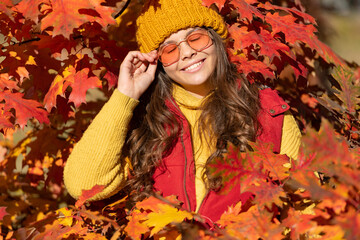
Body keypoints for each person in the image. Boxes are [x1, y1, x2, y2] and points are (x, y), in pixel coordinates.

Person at [64, 0, 301, 226]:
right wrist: (125, 95)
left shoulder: (267, 112)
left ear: (216, 39)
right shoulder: (144, 126)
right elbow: (82, 185)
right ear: (158, 63)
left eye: (195, 39)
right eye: (170, 50)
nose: (186, 53)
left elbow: (304, 205)